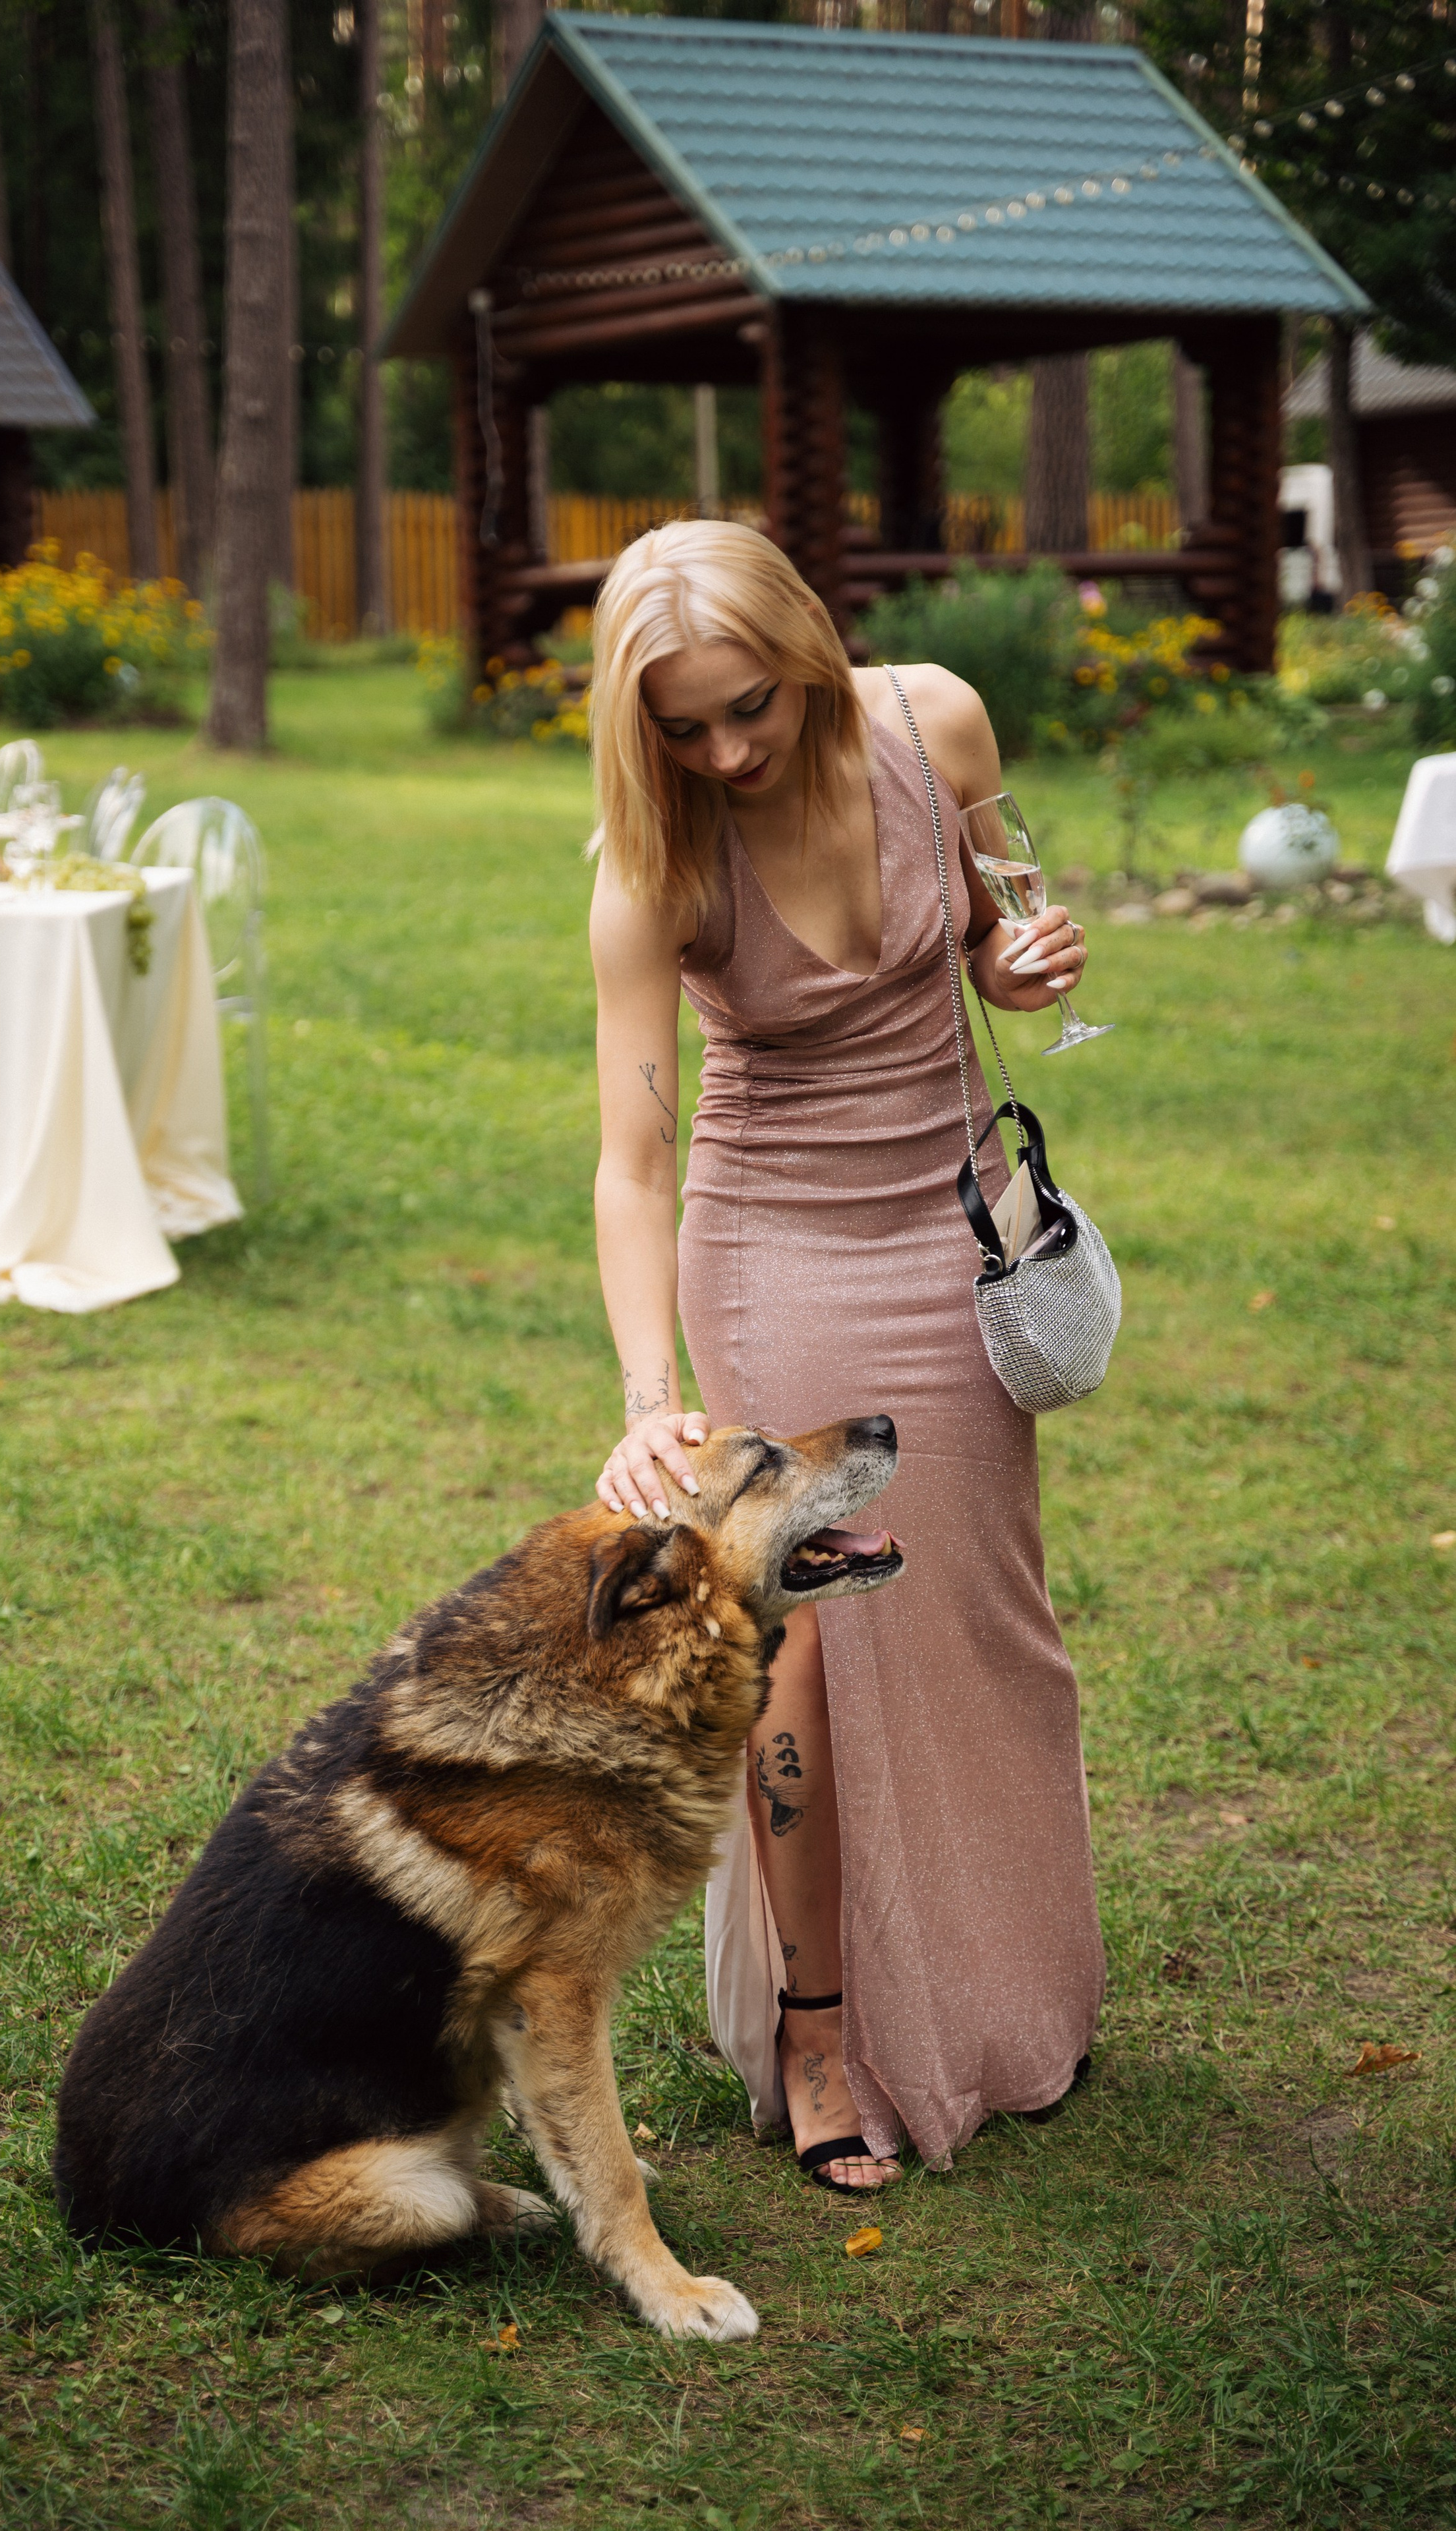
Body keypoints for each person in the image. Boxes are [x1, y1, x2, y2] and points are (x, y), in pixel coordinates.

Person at [587, 521, 1105, 2193]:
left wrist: (1016, 972)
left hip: (949, 1222)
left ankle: (1011, 1989)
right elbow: (631, 1160)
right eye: (681, 726)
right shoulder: (650, 863)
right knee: (798, 1654)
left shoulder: (935, 724)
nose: (726, 750)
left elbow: (977, 956)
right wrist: (650, 1399)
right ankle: (819, 2025)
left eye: (749, 706)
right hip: (773, 1244)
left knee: (977, 1622)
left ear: (808, 651)